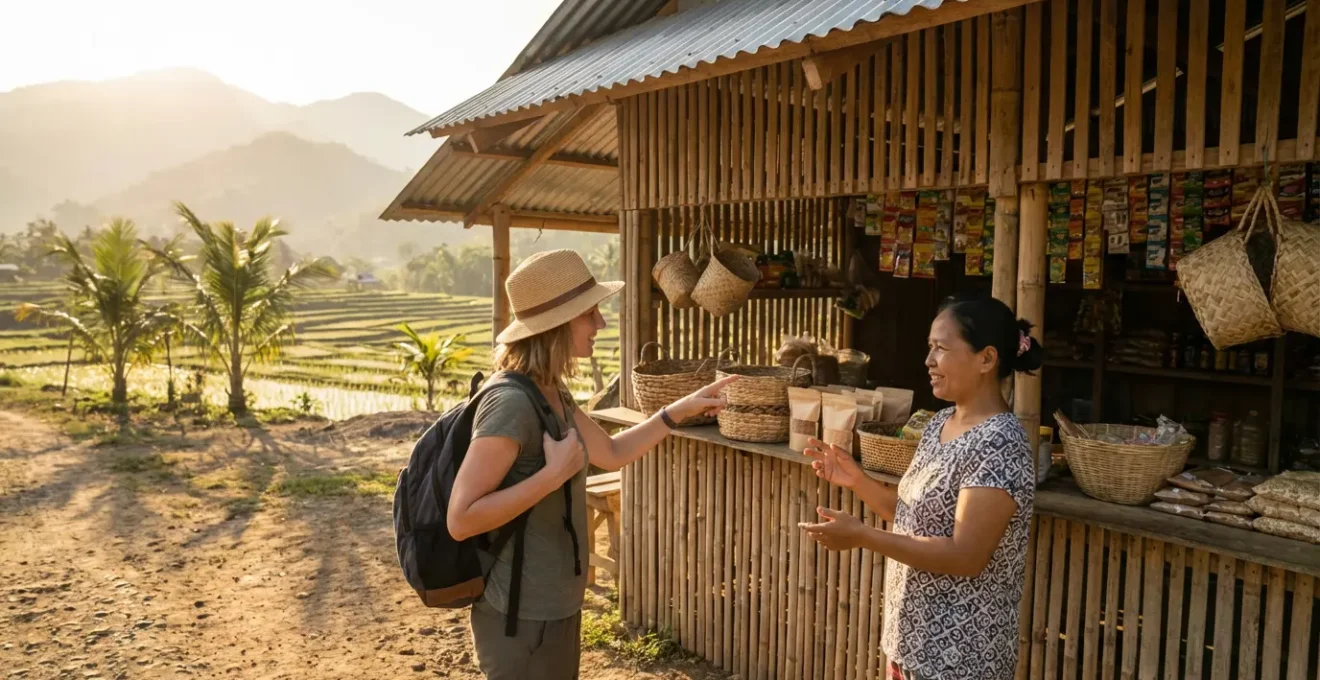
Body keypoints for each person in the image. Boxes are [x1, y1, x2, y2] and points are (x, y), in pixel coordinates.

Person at [446, 249, 736, 680]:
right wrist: (552, 476)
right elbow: (461, 518)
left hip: (556, 605)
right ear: (557, 325)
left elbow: (612, 452)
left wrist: (681, 410)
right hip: (519, 617)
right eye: (590, 313)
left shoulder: (550, 391)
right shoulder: (510, 403)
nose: (600, 323)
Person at [800, 293, 1043, 680]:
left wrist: (863, 536)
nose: (929, 361)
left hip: (960, 657)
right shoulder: (938, 424)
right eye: (929, 348)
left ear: (987, 359)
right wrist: (856, 480)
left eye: (941, 349)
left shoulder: (1000, 442)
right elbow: (912, 516)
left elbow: (966, 556)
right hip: (910, 642)